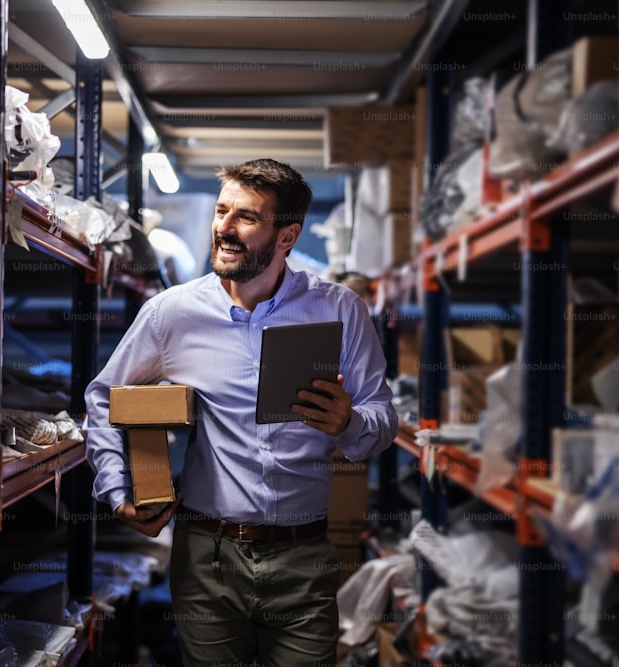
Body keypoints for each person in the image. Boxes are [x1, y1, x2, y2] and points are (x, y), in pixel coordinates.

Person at [84, 158, 397, 666]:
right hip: (208, 557)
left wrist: (351, 422)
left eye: (246, 217)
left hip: (304, 557)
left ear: (287, 236)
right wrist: (117, 489)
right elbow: (103, 396)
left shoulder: (340, 310)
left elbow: (382, 416)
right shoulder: (173, 314)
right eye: (221, 210)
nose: (224, 228)